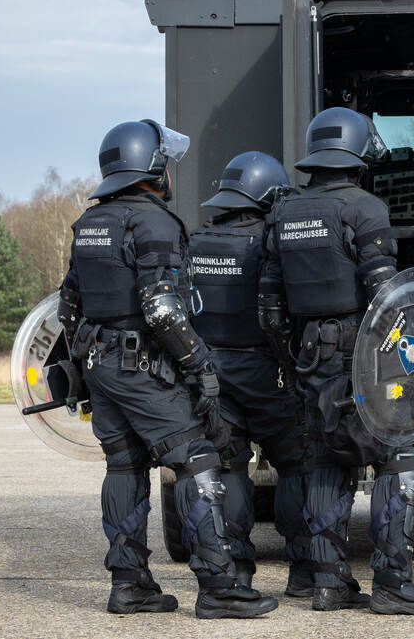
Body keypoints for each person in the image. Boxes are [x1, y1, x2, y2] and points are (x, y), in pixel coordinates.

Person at [57, 120, 277, 619]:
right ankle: (220, 587)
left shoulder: (89, 223)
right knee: (196, 457)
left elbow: (69, 305)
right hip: (142, 366)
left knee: (124, 465)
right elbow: (161, 308)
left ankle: (130, 585)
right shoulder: (154, 223)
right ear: (151, 167)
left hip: (101, 365)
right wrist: (200, 367)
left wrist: (80, 366)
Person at [259, 107, 414, 616]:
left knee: (325, 458)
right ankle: (392, 585)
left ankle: (329, 584)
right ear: (360, 152)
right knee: (398, 453)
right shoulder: (365, 208)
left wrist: (296, 356)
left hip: (309, 348)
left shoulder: (284, 213)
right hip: (363, 343)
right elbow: (385, 296)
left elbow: (271, 310)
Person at [188, 151, 313, 597]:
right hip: (268, 370)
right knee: (297, 463)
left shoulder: (198, 242)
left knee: (231, 468)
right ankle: (303, 571)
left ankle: (239, 570)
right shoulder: (269, 241)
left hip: (214, 371)